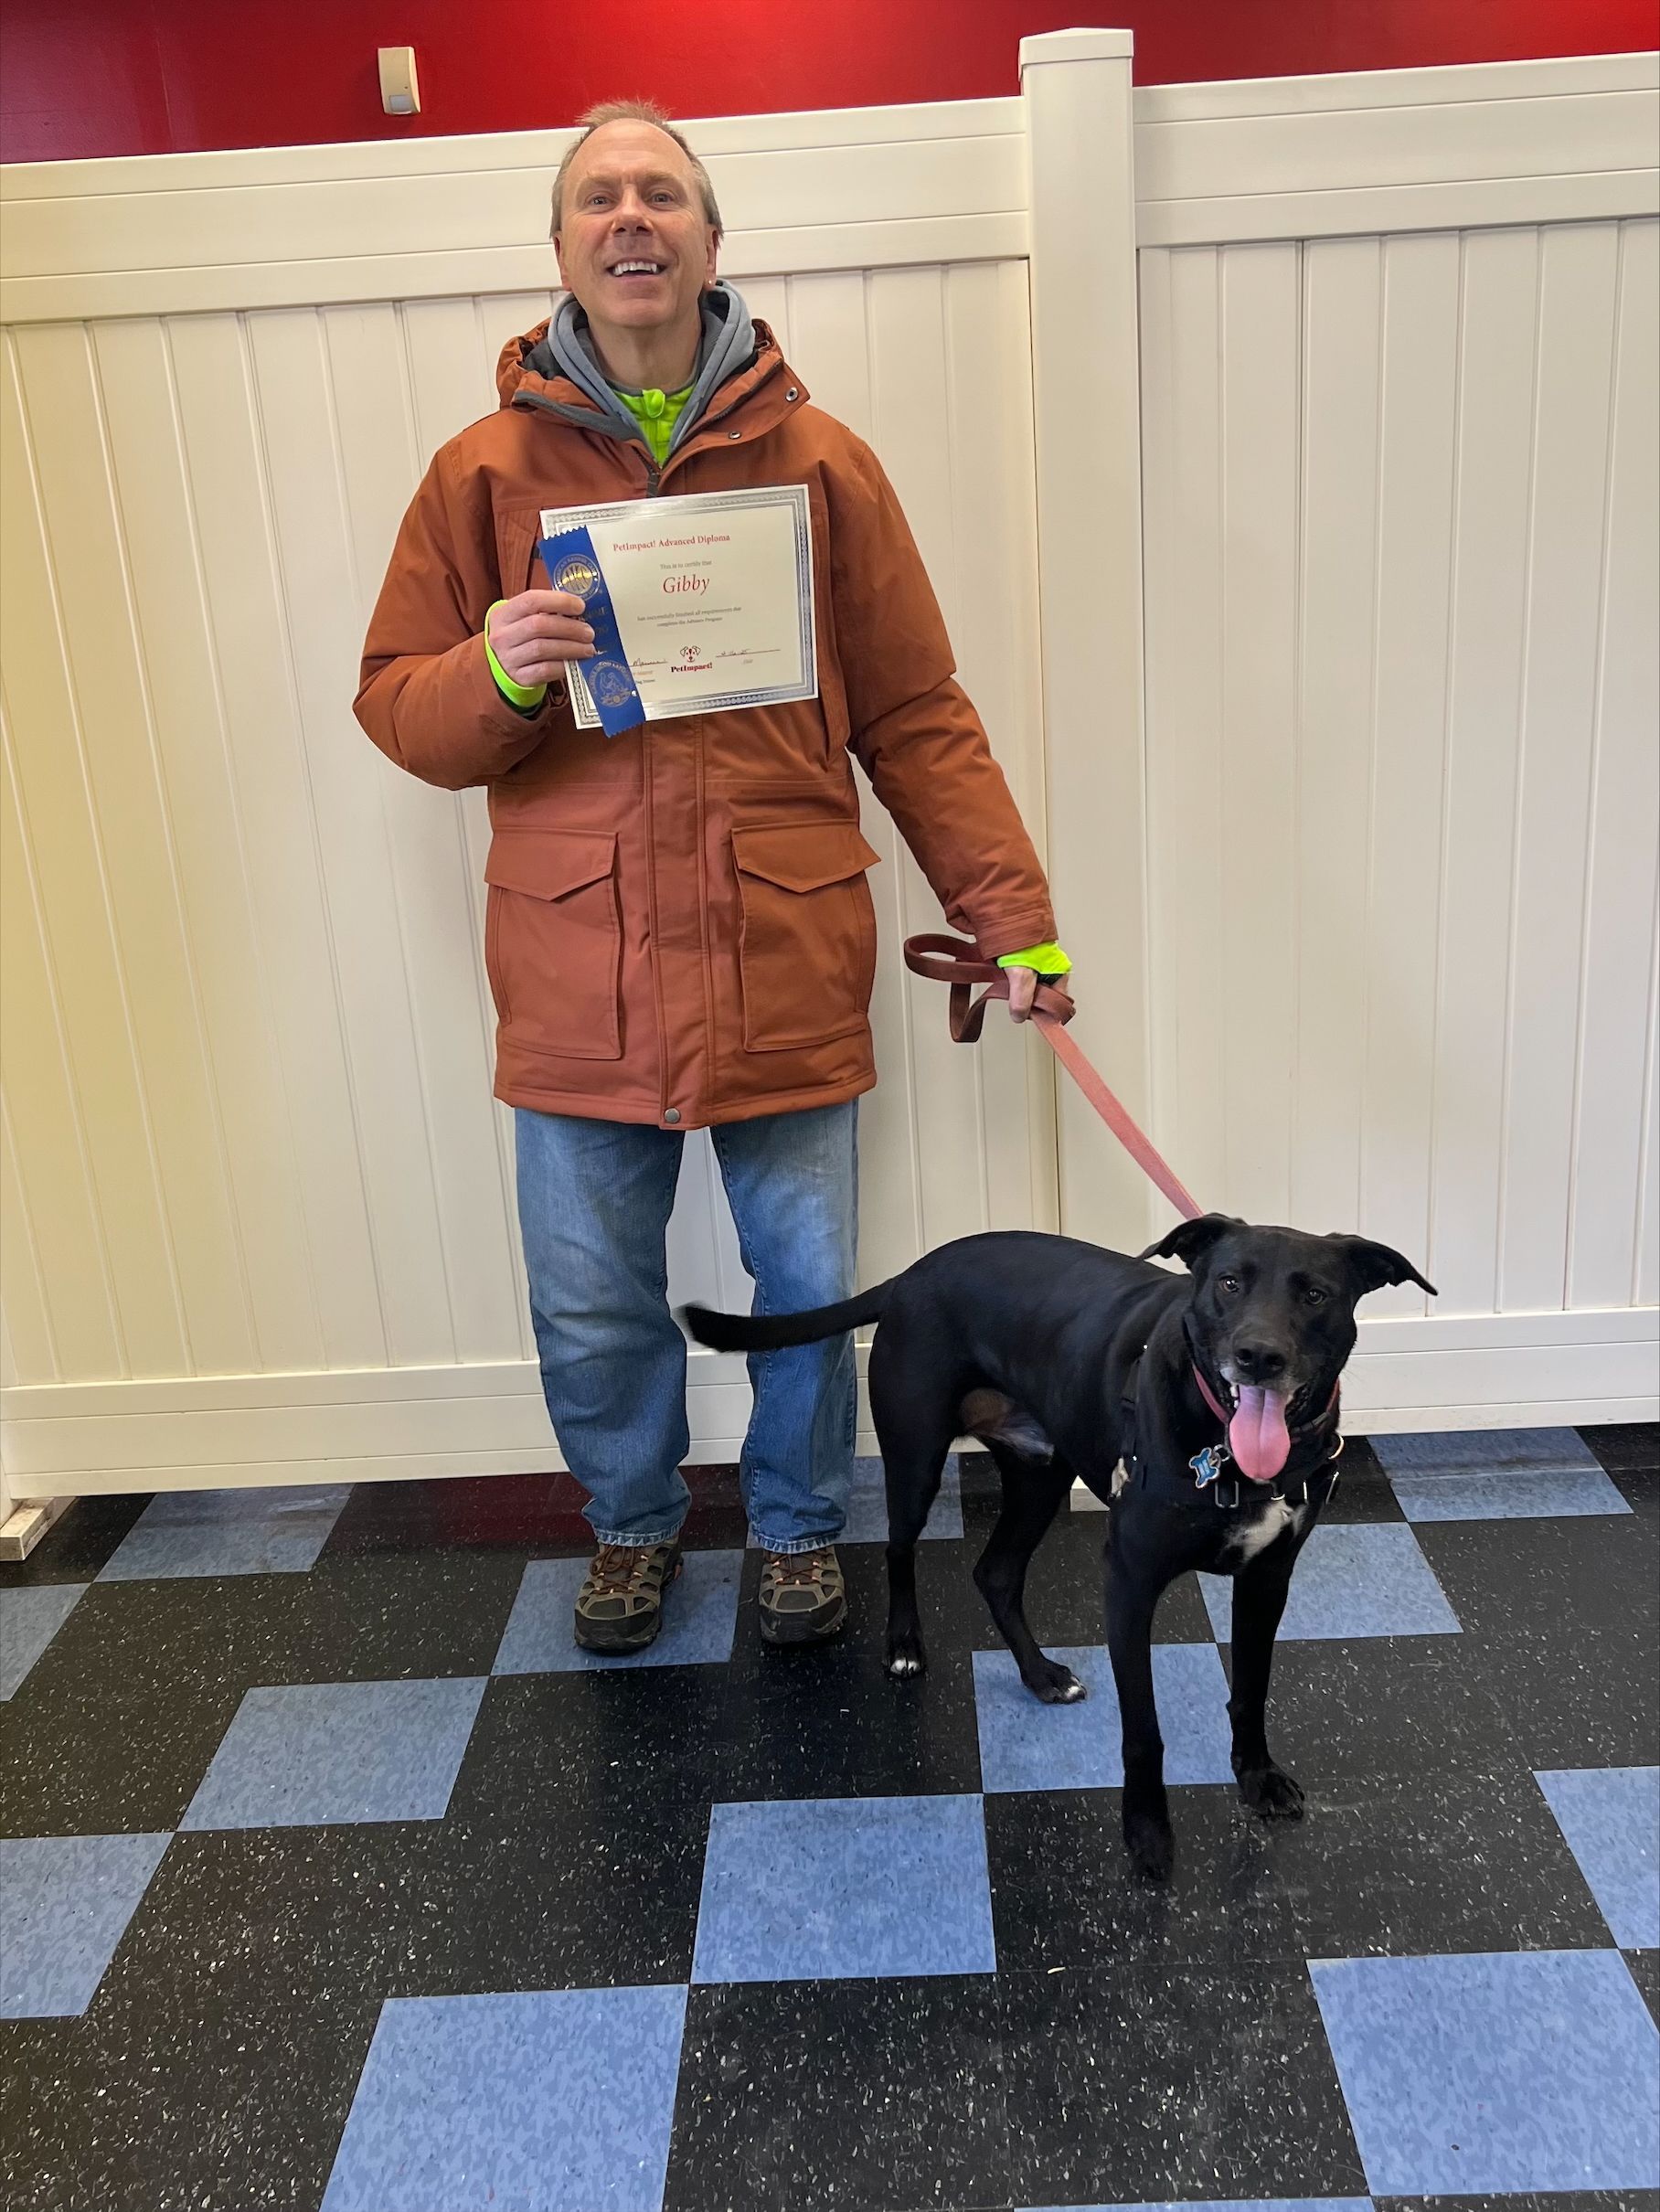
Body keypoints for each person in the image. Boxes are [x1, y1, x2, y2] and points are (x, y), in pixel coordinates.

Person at [356, 100, 1070, 1656]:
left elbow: (916, 714)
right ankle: (629, 1528)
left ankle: (802, 1533)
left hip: (782, 952)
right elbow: (400, 711)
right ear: (561, 248)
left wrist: (1013, 921)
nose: (632, 218)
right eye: (600, 196)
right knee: (593, 1301)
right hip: (576, 972)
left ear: (709, 240)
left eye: (661, 194)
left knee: (810, 1293)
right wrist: (497, 668)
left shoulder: (824, 463)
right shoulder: (477, 475)